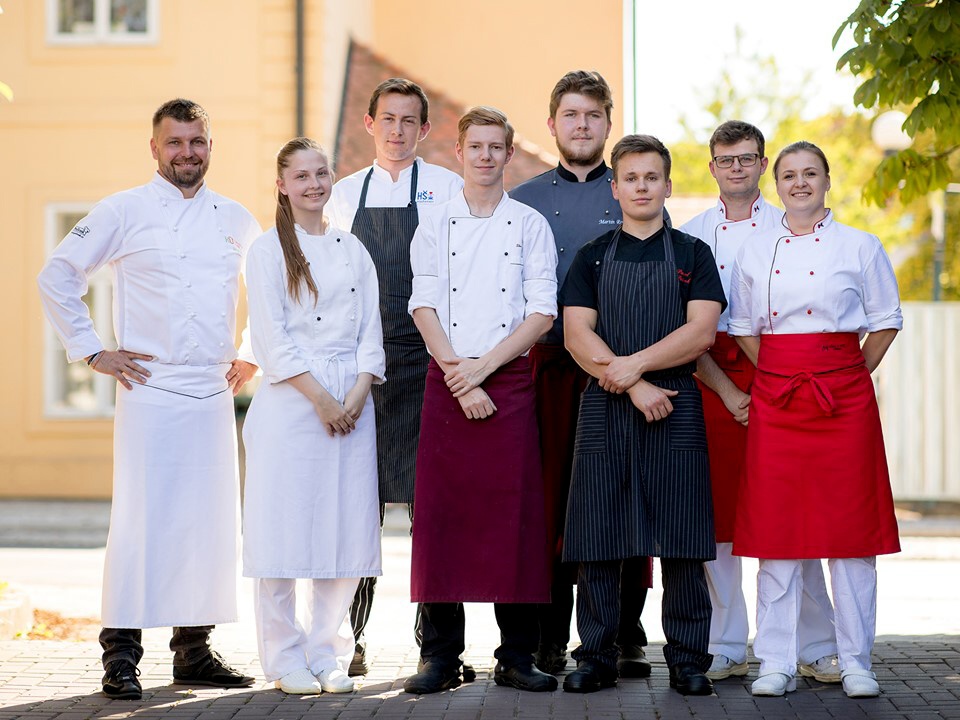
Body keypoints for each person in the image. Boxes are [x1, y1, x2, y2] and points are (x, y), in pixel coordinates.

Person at [37, 98, 260, 700]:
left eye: (197, 141)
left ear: (210, 146)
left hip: (212, 390)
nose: (187, 152)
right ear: (154, 148)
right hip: (148, 389)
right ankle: (120, 654)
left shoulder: (236, 218)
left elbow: (271, 290)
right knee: (140, 522)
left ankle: (194, 651)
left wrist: (250, 351)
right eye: (175, 142)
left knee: (209, 525)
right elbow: (57, 275)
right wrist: (91, 351)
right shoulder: (123, 210)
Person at [727, 141, 902, 699]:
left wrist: (847, 373)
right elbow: (743, 326)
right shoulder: (756, 249)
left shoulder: (861, 245)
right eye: (789, 175)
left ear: (828, 180)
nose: (799, 183)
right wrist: (779, 374)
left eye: (810, 173)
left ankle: (856, 662)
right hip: (778, 398)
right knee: (776, 533)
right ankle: (775, 661)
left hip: (843, 401)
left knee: (851, 535)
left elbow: (885, 320)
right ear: (776, 184)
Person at [404, 106, 559, 695]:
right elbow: (422, 304)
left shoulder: (529, 225)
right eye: (476, 147)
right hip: (448, 377)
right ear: (459, 152)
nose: (486, 156)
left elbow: (542, 313)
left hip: (508, 379)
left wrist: (482, 371)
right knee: (441, 520)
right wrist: (459, 376)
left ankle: (516, 656)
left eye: (496, 147)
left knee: (513, 520)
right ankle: (440, 657)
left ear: (509, 154)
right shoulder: (434, 222)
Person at [561, 134, 723, 696]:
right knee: (598, 538)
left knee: (682, 540)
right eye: (630, 178)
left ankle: (688, 661)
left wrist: (634, 367)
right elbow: (576, 335)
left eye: (652, 177)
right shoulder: (592, 256)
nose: (641, 187)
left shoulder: (694, 255)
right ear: (615, 188)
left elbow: (701, 333)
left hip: (676, 407)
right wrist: (633, 384)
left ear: (668, 185)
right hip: (607, 406)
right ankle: (596, 657)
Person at [680, 121, 840, 684]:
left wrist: (775, 379)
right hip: (708, 372)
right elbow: (684, 324)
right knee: (717, 518)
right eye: (726, 159)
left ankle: (815, 644)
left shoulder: (791, 225)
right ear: (712, 167)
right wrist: (726, 390)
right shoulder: (690, 234)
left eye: (747, 158)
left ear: (762, 164)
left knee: (796, 511)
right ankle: (725, 643)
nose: (737, 168)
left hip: (782, 371)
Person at [509, 70, 653, 679]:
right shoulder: (522, 200)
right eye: (571, 114)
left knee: (621, 499)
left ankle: (623, 631)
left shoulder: (632, 193)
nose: (582, 125)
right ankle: (548, 637)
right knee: (551, 503)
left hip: (621, 370)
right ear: (552, 124)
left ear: (608, 124)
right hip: (547, 369)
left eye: (593, 115)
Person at [326, 78, 463, 676]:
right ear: (369, 123)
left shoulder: (448, 188)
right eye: (388, 118)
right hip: (363, 366)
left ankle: (438, 647)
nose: (398, 130)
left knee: (432, 510)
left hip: (428, 362)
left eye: (410, 121)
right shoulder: (341, 195)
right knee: (359, 509)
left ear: (425, 130)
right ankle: (345, 642)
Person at [241, 138, 385, 695]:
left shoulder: (353, 248)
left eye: (320, 173)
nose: (313, 184)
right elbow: (271, 339)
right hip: (291, 405)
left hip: (353, 403)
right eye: (300, 176)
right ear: (282, 185)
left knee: (342, 532)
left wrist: (358, 392)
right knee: (281, 532)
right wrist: (321, 399)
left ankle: (328, 652)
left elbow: (371, 328)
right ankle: (284, 658)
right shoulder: (266, 250)